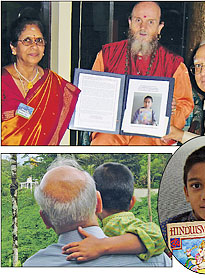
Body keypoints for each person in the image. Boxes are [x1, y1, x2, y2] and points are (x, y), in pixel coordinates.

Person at [23, 158, 171, 267]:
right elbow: (157, 236)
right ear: (98, 202)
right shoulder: (157, 260)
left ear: (45, 219)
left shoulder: (33, 266)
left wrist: (103, 245)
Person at [90, 1, 193, 145]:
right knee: (103, 141)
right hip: (112, 128)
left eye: (151, 22)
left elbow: (185, 103)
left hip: (151, 131)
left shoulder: (174, 64)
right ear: (130, 22)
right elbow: (92, 92)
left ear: (159, 28)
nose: (143, 27)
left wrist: (171, 110)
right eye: (138, 20)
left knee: (142, 143)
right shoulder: (107, 55)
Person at [1, 12, 80, 145]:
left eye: (39, 41)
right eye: (27, 40)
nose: (34, 46)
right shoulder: (3, 81)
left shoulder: (55, 83)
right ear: (13, 47)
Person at [62, 162, 168, 262]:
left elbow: (157, 236)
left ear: (95, 202)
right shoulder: (117, 225)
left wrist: (101, 245)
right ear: (132, 202)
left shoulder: (117, 223)